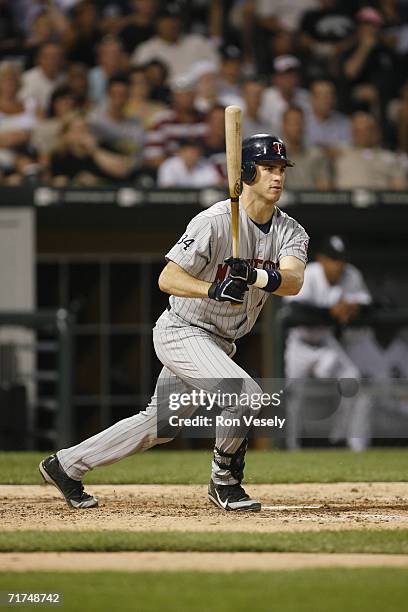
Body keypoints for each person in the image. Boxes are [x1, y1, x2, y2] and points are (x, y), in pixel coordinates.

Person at [39, 133, 309, 512]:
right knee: (244, 395)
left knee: (159, 426)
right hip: (183, 331)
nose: (277, 177)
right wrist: (212, 289)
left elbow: (293, 281)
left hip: (221, 341)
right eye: (267, 168)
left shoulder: (290, 230)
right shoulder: (213, 222)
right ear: (247, 171)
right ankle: (225, 483)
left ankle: (65, 465)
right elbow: (168, 279)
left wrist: (252, 276)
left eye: (281, 169)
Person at [284, 235, 372, 451]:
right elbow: (294, 309)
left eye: (341, 259)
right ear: (322, 259)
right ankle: (289, 448)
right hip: (300, 344)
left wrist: (353, 308)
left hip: (325, 342)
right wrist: (331, 312)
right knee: (290, 395)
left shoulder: (351, 274)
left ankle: (355, 446)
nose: (339, 265)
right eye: (334, 259)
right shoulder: (309, 274)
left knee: (354, 382)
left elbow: (369, 304)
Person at [333, 111, 406, 190]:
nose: (363, 134)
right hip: (344, 200)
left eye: (367, 130)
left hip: (381, 200)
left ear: (376, 132)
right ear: (351, 132)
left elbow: (399, 187)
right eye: (358, 131)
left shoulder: (389, 158)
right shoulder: (339, 152)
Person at [282, 106, 331, 190]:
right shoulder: (275, 157)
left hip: (313, 201)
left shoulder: (317, 155)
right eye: (291, 123)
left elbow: (325, 186)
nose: (295, 127)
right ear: (283, 126)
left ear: (304, 125)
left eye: (298, 123)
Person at [304, 80, 351, 149]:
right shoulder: (302, 121)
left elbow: (348, 148)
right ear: (312, 99)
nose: (327, 100)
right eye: (322, 96)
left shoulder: (344, 122)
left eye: (330, 95)